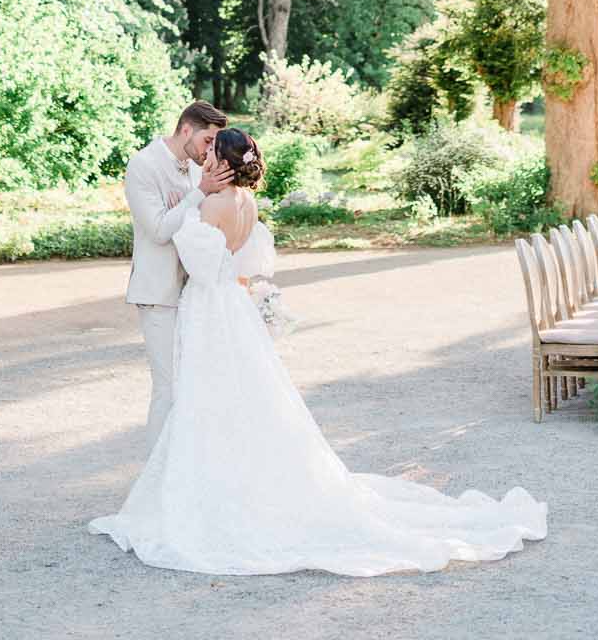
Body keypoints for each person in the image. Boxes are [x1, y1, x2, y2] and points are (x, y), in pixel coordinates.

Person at [93, 127, 546, 577]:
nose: (205, 156)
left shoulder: (209, 204)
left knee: (206, 398)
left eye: (212, 151)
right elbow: (246, 261)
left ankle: (207, 494)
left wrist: (189, 205)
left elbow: (193, 260)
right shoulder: (247, 204)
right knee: (240, 397)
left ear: (224, 162)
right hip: (234, 305)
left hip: (208, 309)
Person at [122, 100, 229, 450]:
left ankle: (183, 470)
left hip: (193, 293)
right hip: (158, 295)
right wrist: (200, 193)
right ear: (187, 129)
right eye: (208, 140)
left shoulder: (198, 169)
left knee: (193, 387)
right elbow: (157, 230)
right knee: (167, 388)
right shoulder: (143, 165)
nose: (210, 149)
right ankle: (156, 478)